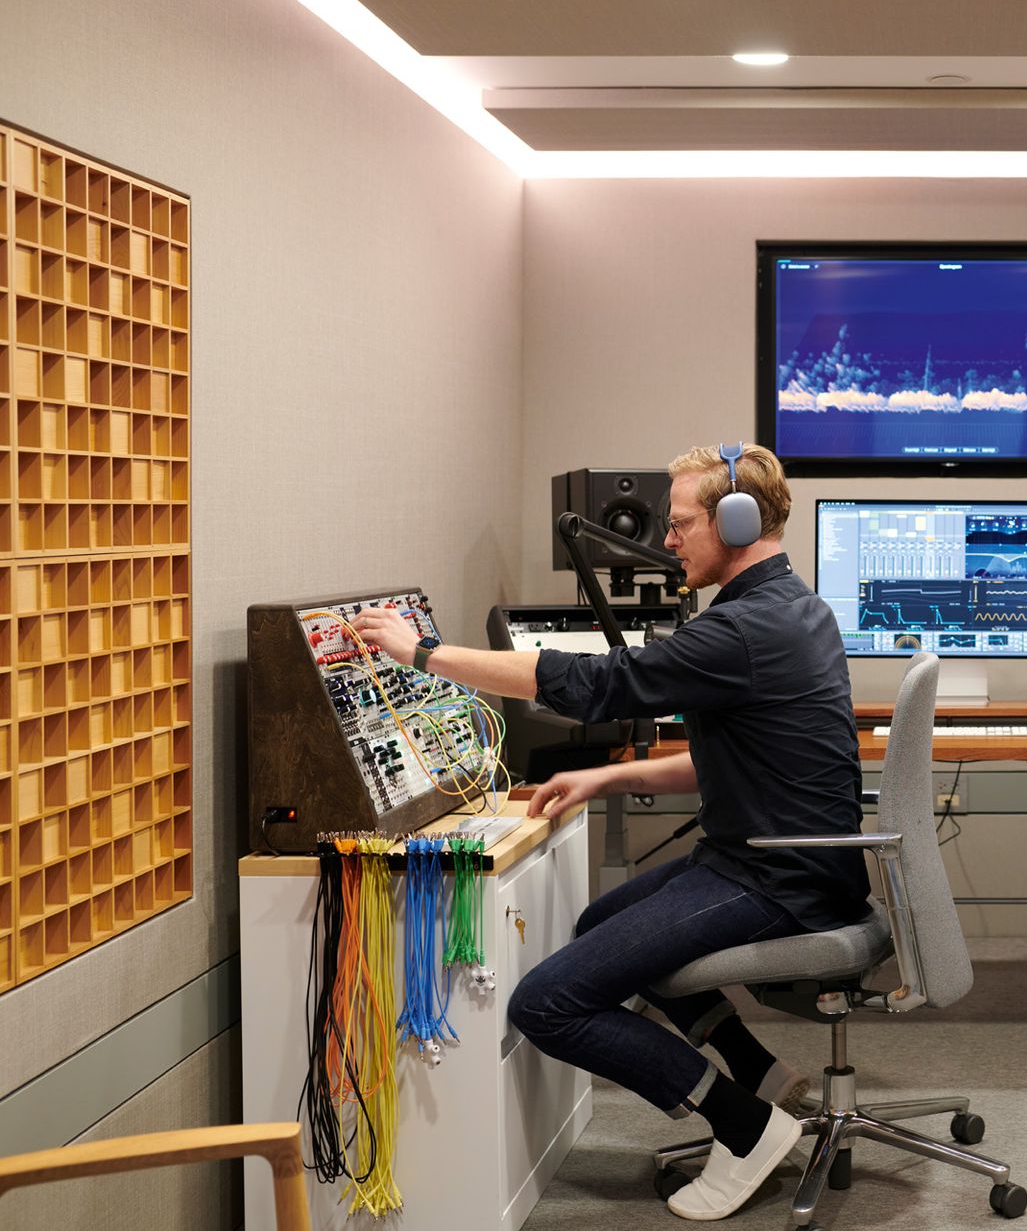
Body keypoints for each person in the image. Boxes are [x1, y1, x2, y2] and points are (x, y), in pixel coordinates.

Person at [348, 443, 868, 1221]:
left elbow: (595, 686)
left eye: (682, 523)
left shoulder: (743, 631)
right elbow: (733, 759)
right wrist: (608, 777)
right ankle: (758, 1073)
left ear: (736, 521)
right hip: (771, 858)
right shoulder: (791, 607)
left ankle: (745, 1125)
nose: (666, 539)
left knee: (547, 1004)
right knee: (602, 922)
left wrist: (423, 654)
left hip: (777, 879)